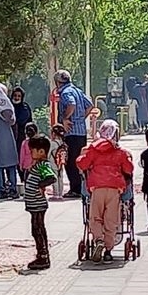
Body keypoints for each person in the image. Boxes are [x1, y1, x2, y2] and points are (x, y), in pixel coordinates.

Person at [76, 119, 134, 263]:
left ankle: (98, 240)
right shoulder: (120, 152)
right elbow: (129, 169)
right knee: (111, 220)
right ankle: (108, 251)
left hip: (97, 188)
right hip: (115, 189)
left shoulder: (93, 149)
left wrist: (81, 157)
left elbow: (82, 164)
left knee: (95, 217)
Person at [54, 70, 94, 199]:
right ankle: (81, 188)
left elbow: (71, 104)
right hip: (81, 132)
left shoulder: (65, 92)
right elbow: (90, 105)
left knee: (71, 162)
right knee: (80, 161)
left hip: (71, 133)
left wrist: (66, 118)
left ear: (57, 82)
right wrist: (81, 119)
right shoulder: (77, 90)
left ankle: (75, 189)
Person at [23, 135, 58, 270]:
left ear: (41, 151)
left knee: (38, 229)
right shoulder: (37, 165)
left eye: (32, 150)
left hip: (38, 204)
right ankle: (41, 254)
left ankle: (43, 256)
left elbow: (51, 177)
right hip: (33, 204)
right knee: (36, 229)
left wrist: (40, 185)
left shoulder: (43, 165)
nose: (31, 153)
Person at [0, 82, 20, 200]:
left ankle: (0, 190)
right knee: (11, 164)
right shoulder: (5, 103)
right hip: (6, 135)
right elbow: (11, 120)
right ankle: (13, 189)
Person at [12, 86, 34, 157]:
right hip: (10, 135)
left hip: (22, 136)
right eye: (15, 95)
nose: (17, 98)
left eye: (19, 96)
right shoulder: (9, 106)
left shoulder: (25, 108)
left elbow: (23, 120)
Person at [49, 124, 68, 199]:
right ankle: (60, 194)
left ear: (53, 133)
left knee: (55, 178)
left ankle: (56, 194)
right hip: (60, 163)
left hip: (53, 163)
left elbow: (48, 154)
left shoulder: (52, 143)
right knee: (60, 178)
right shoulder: (63, 143)